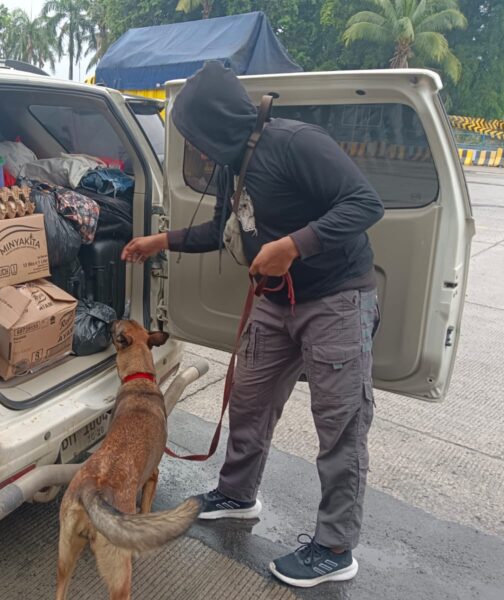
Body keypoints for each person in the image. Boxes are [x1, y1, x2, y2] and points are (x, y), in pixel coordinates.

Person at [121, 61, 384, 588]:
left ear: (215, 125)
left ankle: (335, 546)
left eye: (194, 136)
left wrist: (293, 246)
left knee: (340, 426)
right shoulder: (231, 162)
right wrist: (160, 241)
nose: (193, 148)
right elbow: (225, 225)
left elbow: (365, 203)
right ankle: (237, 495)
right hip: (275, 302)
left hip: (336, 298)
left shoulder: (296, 143)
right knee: (248, 400)